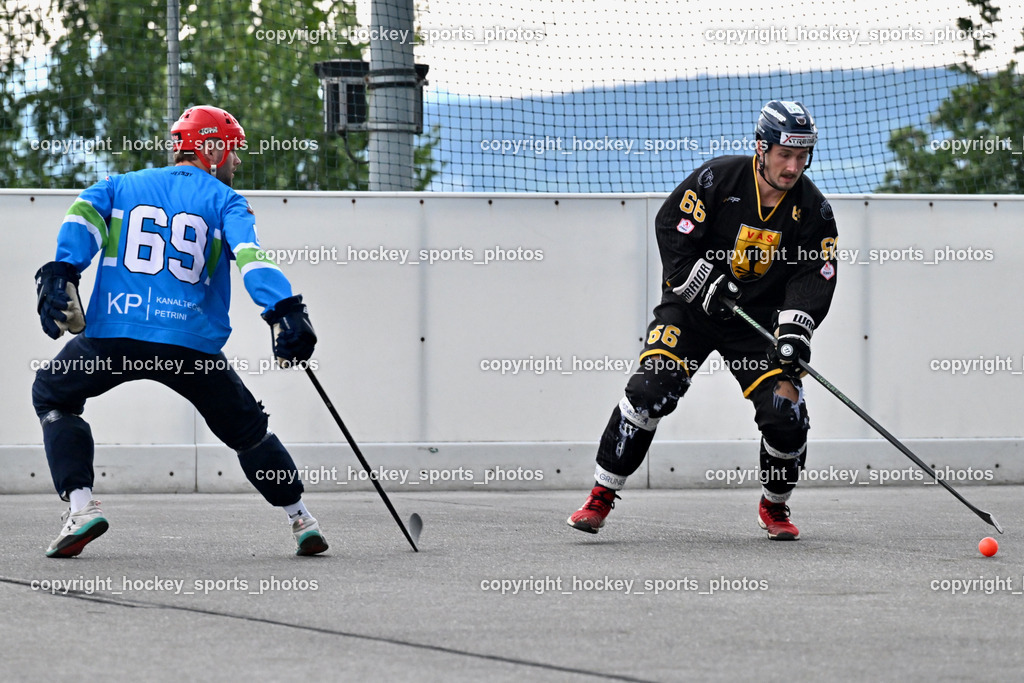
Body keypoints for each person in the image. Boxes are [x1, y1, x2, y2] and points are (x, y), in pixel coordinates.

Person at [33, 105, 327, 557]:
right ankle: (300, 517)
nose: (238, 162)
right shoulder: (228, 202)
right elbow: (251, 256)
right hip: (190, 344)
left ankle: (81, 507)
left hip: (116, 333)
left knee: (53, 395)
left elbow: (81, 217)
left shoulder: (119, 185)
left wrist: (62, 270)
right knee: (249, 430)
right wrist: (283, 310)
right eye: (233, 151)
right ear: (210, 149)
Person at [567, 100, 838, 541]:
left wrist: (795, 328)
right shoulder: (719, 178)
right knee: (649, 389)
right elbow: (672, 227)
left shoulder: (814, 210)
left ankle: (774, 506)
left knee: (784, 413)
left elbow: (815, 276)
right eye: (785, 154)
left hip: (753, 323)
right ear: (761, 148)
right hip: (691, 311)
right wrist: (703, 282)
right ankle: (601, 494)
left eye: (802, 156)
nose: (794, 167)